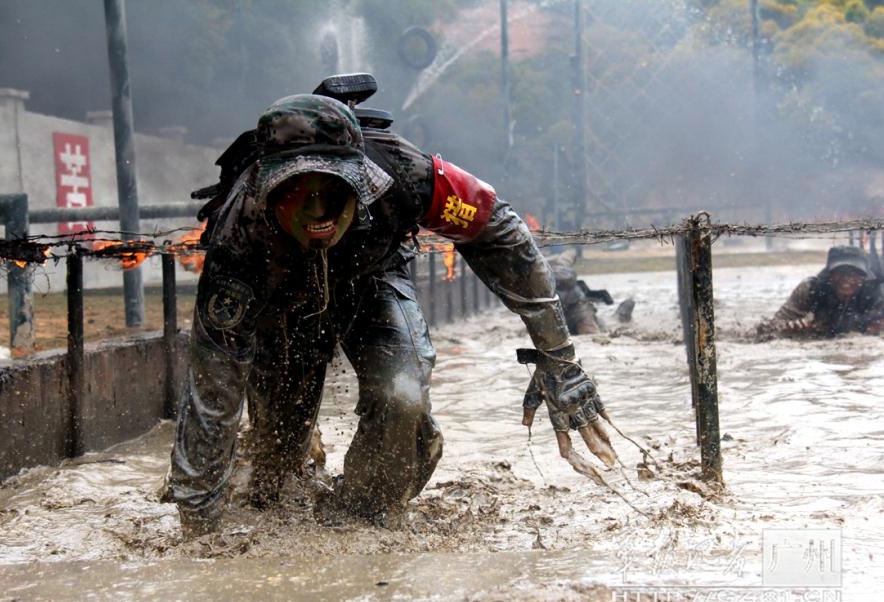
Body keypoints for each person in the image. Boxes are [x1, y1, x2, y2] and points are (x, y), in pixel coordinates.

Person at [162, 83, 616, 535]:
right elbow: (212, 397)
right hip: (280, 303)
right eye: (298, 189)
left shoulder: (408, 174)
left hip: (373, 276)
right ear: (268, 190)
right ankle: (274, 485)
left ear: (361, 180)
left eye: (335, 188)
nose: (318, 209)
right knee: (274, 467)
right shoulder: (238, 244)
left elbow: (501, 233)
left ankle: (364, 522)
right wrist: (199, 535)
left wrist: (560, 361)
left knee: (403, 397)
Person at [756, 245, 884, 339]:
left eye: (854, 274)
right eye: (840, 272)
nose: (846, 279)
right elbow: (770, 328)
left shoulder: (876, 295)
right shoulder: (811, 289)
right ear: (829, 274)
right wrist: (790, 328)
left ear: (864, 277)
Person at [549, 251, 634, 334]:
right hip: (559, 314)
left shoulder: (581, 311)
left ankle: (623, 314)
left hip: (579, 309)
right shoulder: (546, 303)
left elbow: (593, 337)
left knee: (612, 323)